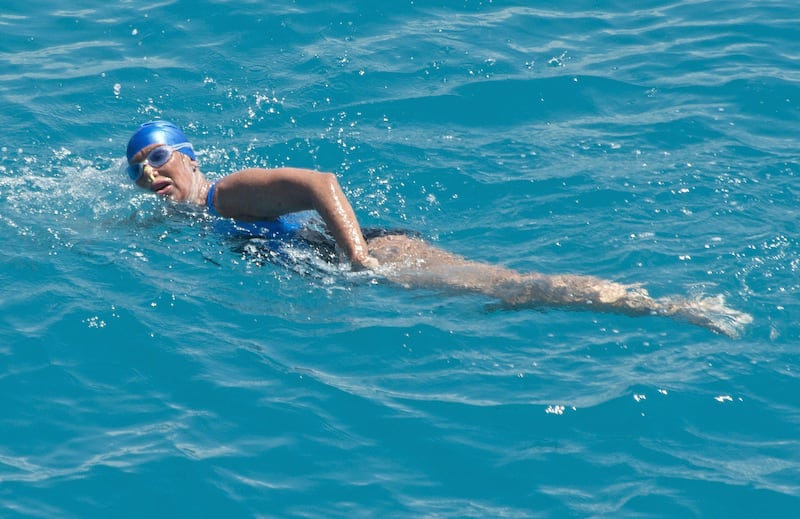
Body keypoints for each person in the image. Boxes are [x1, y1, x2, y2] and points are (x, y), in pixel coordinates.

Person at [125, 120, 753, 338]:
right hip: (354, 255)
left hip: (374, 252)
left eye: (157, 158)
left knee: (511, 287)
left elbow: (322, 184)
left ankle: (675, 308)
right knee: (503, 294)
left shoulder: (226, 193)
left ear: (188, 156)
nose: (151, 175)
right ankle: (665, 307)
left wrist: (362, 262)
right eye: (137, 172)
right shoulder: (195, 218)